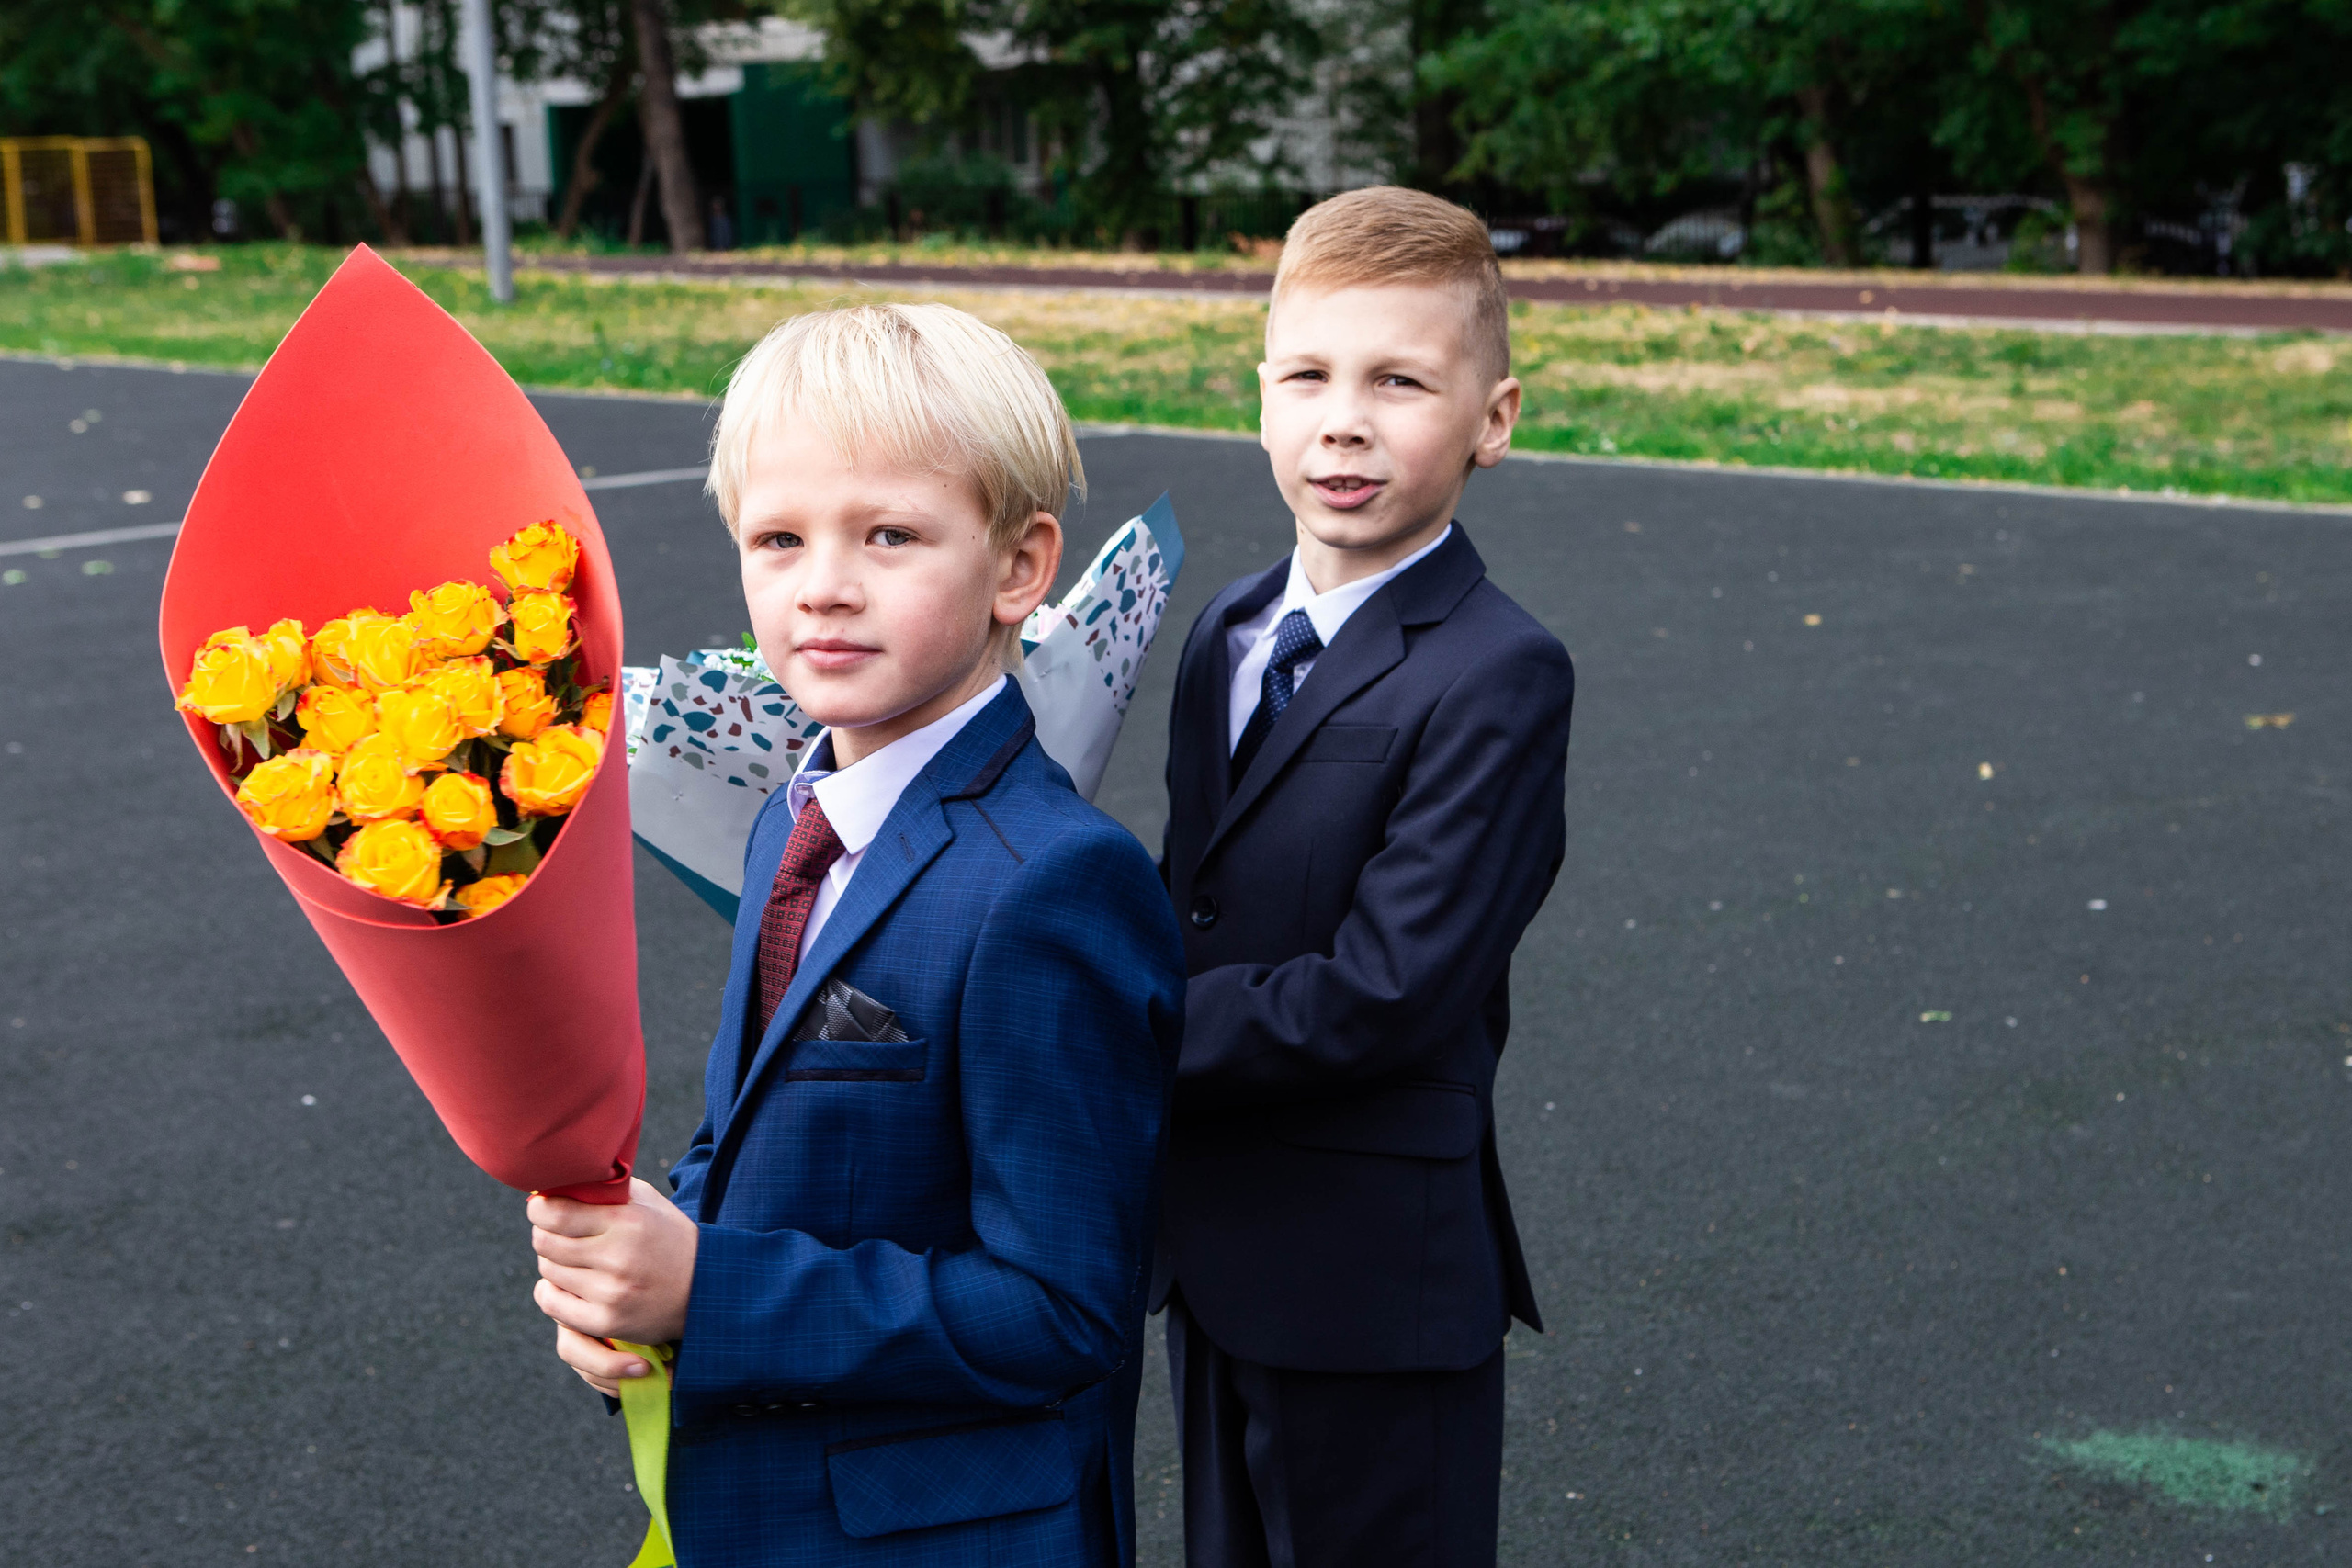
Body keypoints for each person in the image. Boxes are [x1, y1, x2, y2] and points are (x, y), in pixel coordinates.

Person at [526, 302, 1186, 1566]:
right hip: (770, 1505)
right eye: (778, 538)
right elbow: (747, 1133)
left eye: (889, 534)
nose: (823, 584)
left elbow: (1061, 1310)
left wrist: (712, 1291)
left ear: (1017, 566)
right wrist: (641, 1294)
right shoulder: (793, 820)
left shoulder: (1054, 884)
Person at [1154, 186, 1574, 1566]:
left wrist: (1119, 1028)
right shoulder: (1224, 627)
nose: (1345, 419)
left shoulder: (1498, 671)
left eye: (1400, 382)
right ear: (1259, 398)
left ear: (1493, 419)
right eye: (1309, 378)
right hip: (1210, 1249)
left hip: (1371, 1275)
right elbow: (1190, 897)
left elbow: (1388, 990)